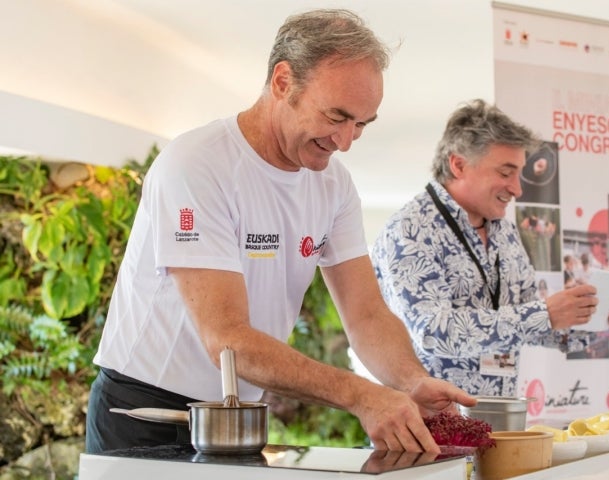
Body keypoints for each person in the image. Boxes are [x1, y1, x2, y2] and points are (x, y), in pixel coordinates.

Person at [85, 9, 475, 455]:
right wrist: (359, 394)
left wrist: (411, 380)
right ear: (283, 82)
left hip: (236, 416)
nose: (346, 141)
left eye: (362, 124)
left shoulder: (333, 185)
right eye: (336, 116)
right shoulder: (197, 165)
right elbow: (227, 339)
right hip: (145, 415)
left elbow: (366, 314)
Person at [371, 99, 609, 398]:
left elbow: (531, 321)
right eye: (506, 172)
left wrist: (590, 319)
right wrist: (543, 313)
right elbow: (434, 334)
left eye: (519, 174)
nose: (518, 189)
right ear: (458, 165)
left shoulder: (505, 231)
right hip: (430, 426)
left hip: (501, 417)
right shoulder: (410, 230)